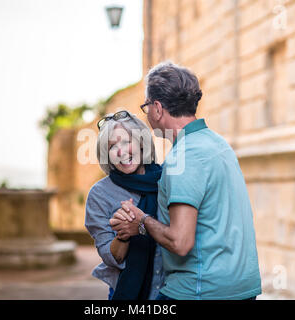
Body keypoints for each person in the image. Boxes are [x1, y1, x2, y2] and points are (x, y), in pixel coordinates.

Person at [110, 62, 262, 300]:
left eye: (146, 106)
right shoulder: (219, 144)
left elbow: (180, 242)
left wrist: (142, 221)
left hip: (201, 291)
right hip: (241, 288)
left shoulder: (183, 158)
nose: (146, 113)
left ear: (157, 108)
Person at [84, 110, 165, 300]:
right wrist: (123, 234)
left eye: (127, 142)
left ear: (142, 143)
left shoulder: (167, 180)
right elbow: (112, 257)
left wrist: (142, 224)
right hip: (127, 292)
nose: (121, 152)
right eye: (112, 146)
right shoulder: (100, 194)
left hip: (169, 289)